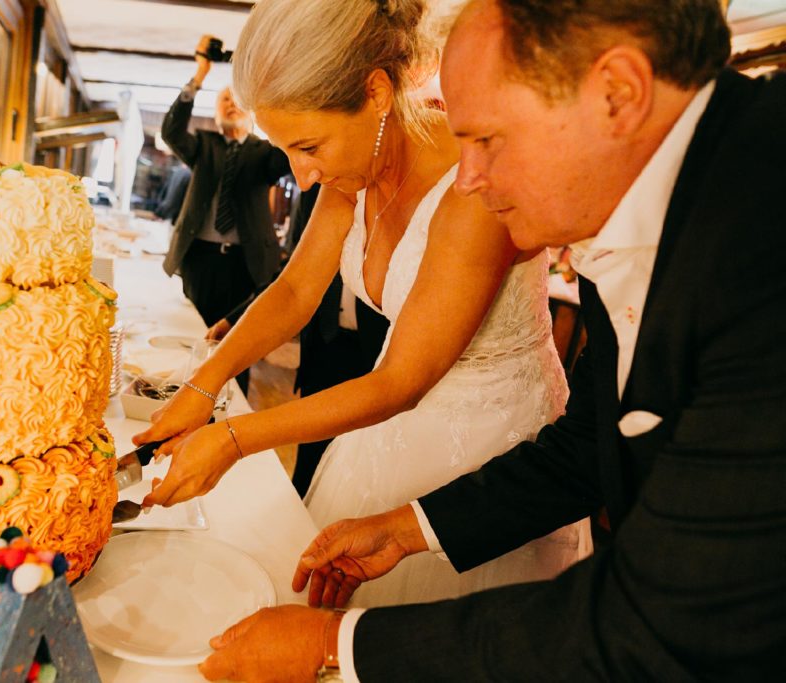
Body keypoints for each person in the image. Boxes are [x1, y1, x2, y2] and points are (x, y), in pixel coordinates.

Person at [197, 1, 786, 681]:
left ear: (617, 94)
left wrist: (339, 644)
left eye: (488, 140)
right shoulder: (623, 211)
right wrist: (414, 526)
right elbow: (588, 445)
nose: (468, 179)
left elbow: (670, 617)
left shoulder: (760, 240)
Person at [135, 0, 588, 606]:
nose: (303, 174)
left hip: (489, 441)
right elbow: (296, 290)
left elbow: (402, 381)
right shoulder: (360, 165)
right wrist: (203, 383)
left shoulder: (471, 185)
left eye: (309, 146)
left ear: (375, 93)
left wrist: (237, 438)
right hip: (388, 426)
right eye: (287, 150)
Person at [208, 185, 391, 497]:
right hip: (324, 343)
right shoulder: (323, 189)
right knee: (309, 460)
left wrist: (234, 438)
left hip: (381, 352)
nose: (304, 178)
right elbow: (292, 279)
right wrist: (233, 320)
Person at [161, 34, 292, 331]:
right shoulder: (204, 146)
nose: (231, 104)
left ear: (253, 110)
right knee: (192, 334)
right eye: (224, 100)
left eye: (237, 100)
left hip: (247, 263)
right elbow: (171, 131)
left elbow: (288, 155)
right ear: (216, 112)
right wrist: (200, 75)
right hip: (199, 260)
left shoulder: (267, 152)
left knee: (236, 341)